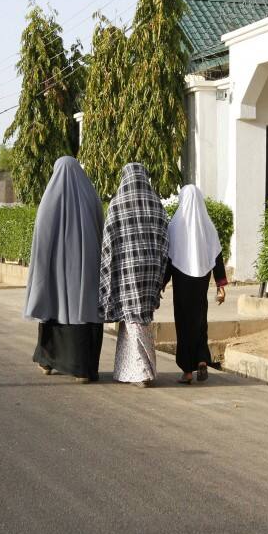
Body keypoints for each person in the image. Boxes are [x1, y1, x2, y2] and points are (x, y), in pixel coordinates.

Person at [25, 157, 105, 383]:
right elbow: (101, 230)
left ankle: (48, 361)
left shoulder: (51, 198)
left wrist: (41, 271)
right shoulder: (91, 196)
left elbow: (41, 238)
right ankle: (83, 369)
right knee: (85, 313)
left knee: (55, 309)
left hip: (56, 274)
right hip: (88, 272)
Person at [99, 163, 169, 388]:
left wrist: (107, 273)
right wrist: (160, 271)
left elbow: (108, 242)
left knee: (131, 319)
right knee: (142, 318)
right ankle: (134, 369)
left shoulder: (117, 204)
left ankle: (141, 371)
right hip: (150, 271)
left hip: (126, 269)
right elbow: (165, 241)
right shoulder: (156, 204)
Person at [163, 184, 228, 385]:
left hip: (182, 282)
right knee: (200, 321)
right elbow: (217, 256)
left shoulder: (174, 225)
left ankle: (188, 372)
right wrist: (220, 284)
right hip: (201, 281)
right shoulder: (207, 225)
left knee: (184, 325)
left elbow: (169, 258)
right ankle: (201, 359)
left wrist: (162, 283)